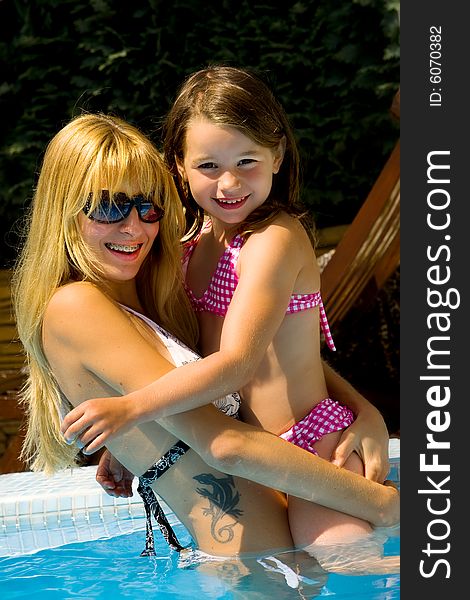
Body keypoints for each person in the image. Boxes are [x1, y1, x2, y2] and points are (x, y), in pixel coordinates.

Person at [11, 112, 399, 574]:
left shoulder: (152, 288)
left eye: (148, 206)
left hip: (268, 548)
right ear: (63, 209)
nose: (134, 227)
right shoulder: (77, 307)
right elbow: (226, 444)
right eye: (109, 207)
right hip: (258, 562)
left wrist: (365, 410)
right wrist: (386, 506)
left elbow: (267, 354)